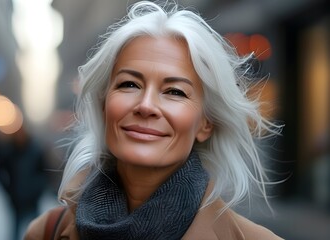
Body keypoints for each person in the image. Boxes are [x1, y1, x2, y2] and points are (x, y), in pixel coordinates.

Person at [25, 1, 283, 239]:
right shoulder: (46, 232)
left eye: (174, 92)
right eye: (129, 84)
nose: (146, 105)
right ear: (104, 106)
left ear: (206, 123)